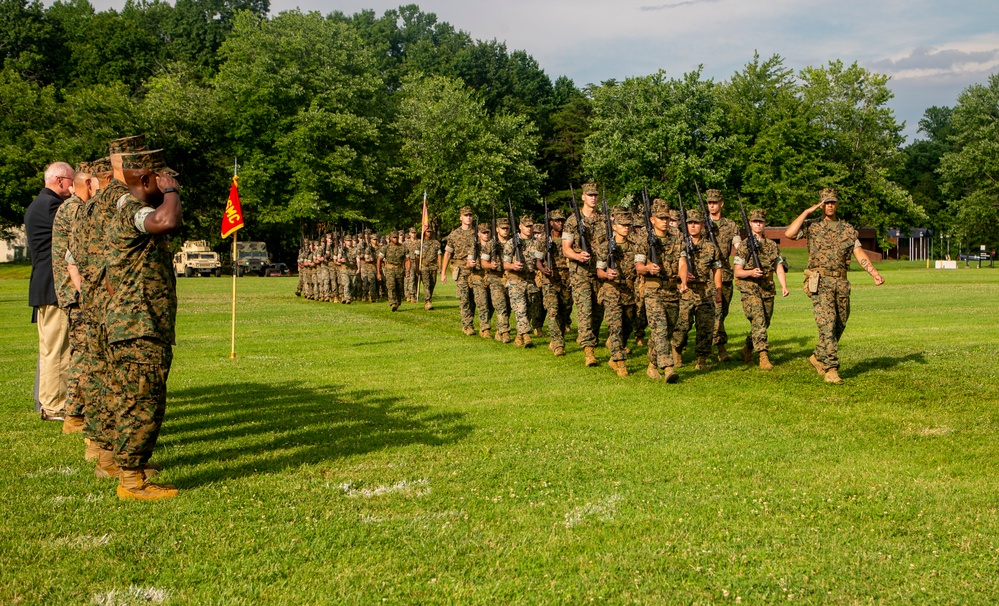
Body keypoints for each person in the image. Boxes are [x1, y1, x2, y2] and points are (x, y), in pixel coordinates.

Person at [101, 148, 182, 500]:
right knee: (143, 402)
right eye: (161, 178)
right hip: (139, 327)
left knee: (129, 400)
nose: (167, 184)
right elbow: (166, 221)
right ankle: (132, 481)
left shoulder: (122, 208)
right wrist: (173, 193)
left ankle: (126, 468)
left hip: (129, 325)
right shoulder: (133, 211)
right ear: (147, 180)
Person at [785, 188, 885, 384]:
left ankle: (817, 356)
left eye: (832, 202)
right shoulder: (812, 226)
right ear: (821, 204)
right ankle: (831, 368)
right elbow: (789, 233)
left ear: (837, 204)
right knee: (827, 323)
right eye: (826, 202)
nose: (829, 205)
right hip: (820, 281)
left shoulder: (848, 229)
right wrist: (807, 212)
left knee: (840, 324)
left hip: (841, 282)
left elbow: (859, 253)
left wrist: (874, 273)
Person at [25, 161, 75, 421]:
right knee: (58, 348)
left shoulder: (38, 204)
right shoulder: (53, 207)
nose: (73, 186)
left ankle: (49, 402)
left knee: (50, 348)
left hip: (44, 284)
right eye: (71, 181)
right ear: (60, 180)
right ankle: (54, 406)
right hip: (54, 286)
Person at [52, 162, 99, 434]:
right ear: (87, 185)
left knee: (81, 352)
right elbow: (77, 258)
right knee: (82, 354)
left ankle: (76, 414)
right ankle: (75, 415)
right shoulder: (75, 210)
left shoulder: (70, 207)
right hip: (76, 292)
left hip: (73, 291)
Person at [635, 199, 683, 382]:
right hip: (652, 289)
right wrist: (648, 269)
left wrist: (683, 279)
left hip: (671, 289)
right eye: (660, 218)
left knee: (666, 330)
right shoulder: (643, 238)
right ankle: (668, 367)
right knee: (660, 328)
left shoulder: (676, 236)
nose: (664, 221)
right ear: (652, 218)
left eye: (666, 218)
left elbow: (682, 261)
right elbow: (638, 266)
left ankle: (652, 364)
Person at [734, 209, 789, 370]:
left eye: (761, 222)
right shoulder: (744, 246)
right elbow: (737, 271)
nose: (758, 224)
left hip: (767, 287)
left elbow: (778, 267)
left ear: (764, 224)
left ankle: (747, 349)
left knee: (764, 321)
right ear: (750, 223)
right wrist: (751, 272)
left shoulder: (772, 246)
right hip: (749, 287)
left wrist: (784, 286)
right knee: (758, 319)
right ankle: (763, 355)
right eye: (755, 221)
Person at [673, 209, 723, 371]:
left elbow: (717, 270)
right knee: (683, 324)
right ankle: (676, 349)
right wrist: (682, 276)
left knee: (705, 326)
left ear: (702, 224)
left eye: (696, 223)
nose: (693, 226)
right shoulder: (679, 244)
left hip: (705, 291)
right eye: (690, 223)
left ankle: (701, 358)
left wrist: (718, 290)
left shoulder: (710, 247)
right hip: (685, 291)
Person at [562, 183, 605, 367]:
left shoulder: (604, 220)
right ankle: (589, 351)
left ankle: (591, 338)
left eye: (595, 195)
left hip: (599, 272)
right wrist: (578, 256)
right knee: (585, 311)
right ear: (583, 197)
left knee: (599, 310)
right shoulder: (572, 221)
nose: (593, 198)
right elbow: (566, 249)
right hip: (580, 273)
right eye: (589, 195)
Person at [596, 208, 639, 376]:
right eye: (622, 225)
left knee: (628, 325)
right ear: (614, 226)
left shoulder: (635, 245)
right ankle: (619, 362)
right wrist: (607, 274)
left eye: (628, 225)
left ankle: (613, 358)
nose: (626, 228)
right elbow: (599, 271)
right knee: (615, 326)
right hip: (611, 289)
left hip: (629, 290)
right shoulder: (605, 247)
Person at [704, 189, 740, 362]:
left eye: (715, 202)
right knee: (715, 313)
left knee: (722, 312)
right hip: (706, 275)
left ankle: (708, 344)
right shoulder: (701, 224)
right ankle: (720, 348)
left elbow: (737, 244)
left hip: (725, 274)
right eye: (709, 202)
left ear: (721, 203)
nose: (712, 205)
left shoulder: (731, 225)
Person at [535, 210, 571, 356]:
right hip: (549, 279)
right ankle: (557, 344)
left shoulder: (568, 239)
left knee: (565, 310)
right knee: (553, 310)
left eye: (562, 220)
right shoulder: (544, 240)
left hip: (566, 278)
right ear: (551, 223)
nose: (560, 223)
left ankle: (558, 337)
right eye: (557, 221)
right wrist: (543, 269)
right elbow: (537, 261)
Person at [440, 206, 478, 335]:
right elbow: (447, 254)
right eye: (466, 215)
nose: (468, 217)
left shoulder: (477, 233)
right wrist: (443, 272)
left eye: (470, 215)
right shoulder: (454, 234)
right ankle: (467, 325)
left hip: (475, 270)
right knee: (464, 297)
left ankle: (471, 321)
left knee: (475, 299)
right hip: (461, 270)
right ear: (460, 217)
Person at [503, 216, 536, 348]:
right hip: (515, 281)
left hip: (531, 280)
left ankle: (519, 335)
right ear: (520, 226)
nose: (529, 228)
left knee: (529, 311)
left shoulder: (536, 242)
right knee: (520, 309)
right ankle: (527, 335)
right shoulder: (511, 243)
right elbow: (505, 264)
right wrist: (512, 266)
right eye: (526, 226)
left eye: (530, 226)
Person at [378, 230, 409, 311]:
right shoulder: (386, 248)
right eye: (394, 237)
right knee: (391, 286)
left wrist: (407, 270)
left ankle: (398, 302)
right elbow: (379, 259)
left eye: (397, 237)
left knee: (399, 287)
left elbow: (407, 259)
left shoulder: (403, 247)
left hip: (399, 269)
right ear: (390, 238)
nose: (395, 239)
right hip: (389, 269)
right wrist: (379, 272)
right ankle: (393, 303)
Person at [415, 227, 441, 310]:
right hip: (424, 266)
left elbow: (439, 255)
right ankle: (428, 301)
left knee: (432, 283)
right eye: (427, 232)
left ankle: (429, 298)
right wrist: (417, 268)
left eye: (430, 232)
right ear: (424, 233)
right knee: (426, 284)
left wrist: (440, 267)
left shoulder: (436, 243)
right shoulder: (420, 243)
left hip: (433, 266)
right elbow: (417, 256)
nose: (429, 233)